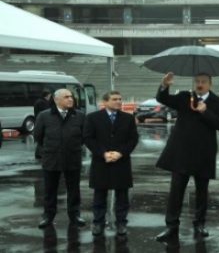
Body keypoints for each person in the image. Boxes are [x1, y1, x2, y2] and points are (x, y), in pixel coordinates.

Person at [154, 72, 219, 246]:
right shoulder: (184, 97)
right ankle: (171, 227)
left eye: (203, 81)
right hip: (181, 153)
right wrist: (165, 85)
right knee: (176, 192)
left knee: (202, 192)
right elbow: (163, 99)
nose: (199, 84)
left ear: (210, 84)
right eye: (197, 81)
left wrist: (206, 112)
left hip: (204, 154)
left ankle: (200, 224)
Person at [83, 91, 139, 237]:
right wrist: (103, 153)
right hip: (101, 161)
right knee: (99, 194)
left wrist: (120, 153)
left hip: (122, 161)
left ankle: (121, 223)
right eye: (115, 99)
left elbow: (133, 139)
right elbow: (89, 138)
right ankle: (98, 223)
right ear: (105, 102)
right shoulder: (93, 118)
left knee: (122, 195)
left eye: (120, 99)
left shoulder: (128, 118)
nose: (119, 102)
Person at [33, 89, 86, 229]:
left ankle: (75, 214)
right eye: (66, 97)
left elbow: (83, 137)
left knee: (74, 189)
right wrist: (50, 149)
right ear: (56, 100)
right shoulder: (44, 116)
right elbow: (38, 136)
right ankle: (48, 216)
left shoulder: (79, 115)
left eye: (71, 97)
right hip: (51, 158)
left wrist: (72, 146)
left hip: (72, 157)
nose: (70, 99)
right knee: (50, 190)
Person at [34, 91, 52, 159]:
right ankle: (40, 154)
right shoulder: (43, 102)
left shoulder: (38, 101)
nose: (50, 98)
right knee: (42, 139)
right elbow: (46, 112)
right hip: (42, 122)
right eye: (49, 96)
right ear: (46, 96)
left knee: (40, 139)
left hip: (39, 121)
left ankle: (38, 154)